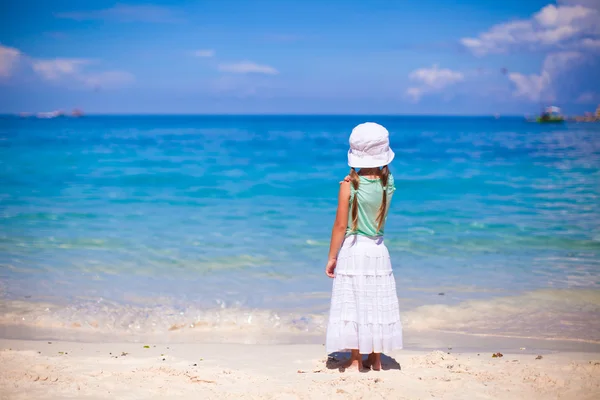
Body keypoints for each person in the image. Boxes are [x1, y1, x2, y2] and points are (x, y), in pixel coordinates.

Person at [325, 122, 403, 371]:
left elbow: (340, 226)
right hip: (378, 249)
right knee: (375, 302)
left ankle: (357, 359)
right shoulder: (387, 182)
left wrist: (331, 257)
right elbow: (381, 176)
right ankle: (376, 358)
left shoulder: (349, 185)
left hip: (354, 248)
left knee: (356, 302)